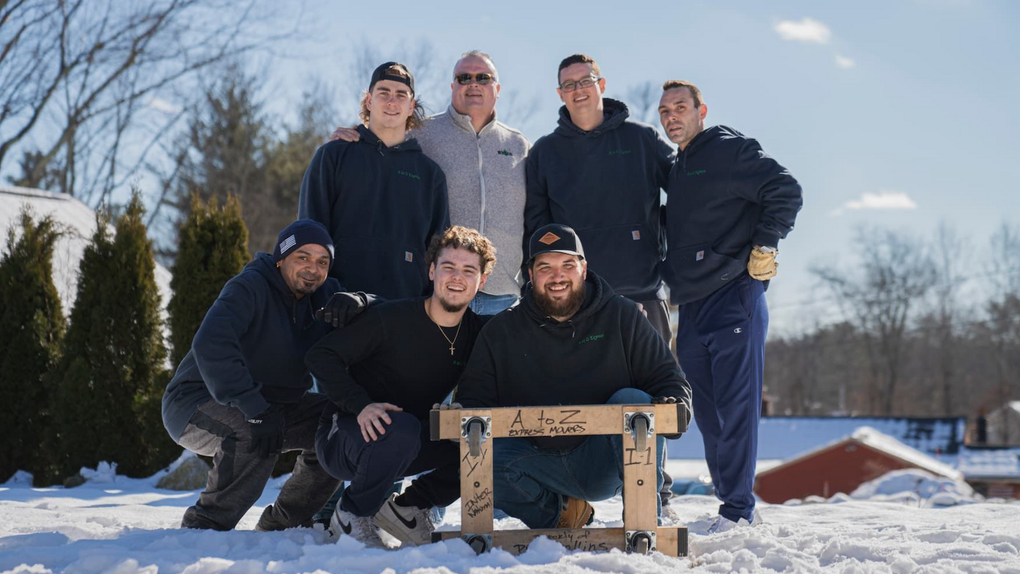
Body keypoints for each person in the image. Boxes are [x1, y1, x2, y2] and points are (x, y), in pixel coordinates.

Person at [454, 223, 692, 529]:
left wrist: (673, 405)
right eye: (545, 267)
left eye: (568, 264)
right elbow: (475, 400)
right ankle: (561, 513)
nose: (557, 276)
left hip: (606, 462)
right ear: (530, 274)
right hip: (534, 462)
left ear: (583, 268)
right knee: (477, 462)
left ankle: (645, 526)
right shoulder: (500, 332)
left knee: (632, 401)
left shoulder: (622, 316)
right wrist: (460, 413)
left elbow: (669, 379)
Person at [656, 80, 803, 532]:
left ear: (702, 110)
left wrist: (766, 243)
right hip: (693, 302)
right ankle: (730, 503)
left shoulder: (726, 149)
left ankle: (739, 510)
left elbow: (786, 189)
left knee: (737, 407)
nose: (672, 116)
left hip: (735, 293)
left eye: (681, 107)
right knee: (708, 410)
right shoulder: (679, 166)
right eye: (664, 111)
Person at [161, 220, 364, 531]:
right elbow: (211, 343)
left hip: (275, 405)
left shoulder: (326, 296)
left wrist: (362, 301)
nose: (313, 269)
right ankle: (205, 525)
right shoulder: (250, 286)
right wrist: (253, 407)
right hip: (196, 402)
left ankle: (284, 522)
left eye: (322, 262)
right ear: (281, 258)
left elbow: (384, 317)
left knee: (339, 424)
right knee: (251, 428)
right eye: (303, 258)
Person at [305, 225, 496, 547]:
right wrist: (360, 404)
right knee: (403, 427)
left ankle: (408, 509)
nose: (457, 277)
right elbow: (321, 356)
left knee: (478, 438)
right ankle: (351, 513)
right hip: (346, 435)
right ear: (432, 270)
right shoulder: (391, 318)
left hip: (406, 441)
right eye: (448, 267)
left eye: (468, 270)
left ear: (482, 280)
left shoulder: (479, 333)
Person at [330, 51, 528, 315]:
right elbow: (385, 134)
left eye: (483, 77)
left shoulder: (520, 146)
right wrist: (355, 133)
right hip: (439, 291)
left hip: (502, 297)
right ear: (452, 86)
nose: (473, 84)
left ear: (498, 88)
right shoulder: (423, 133)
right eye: (463, 77)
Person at [523, 53, 675, 344]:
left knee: (657, 385)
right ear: (560, 94)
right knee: (582, 388)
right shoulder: (545, 152)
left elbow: (686, 193)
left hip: (643, 290)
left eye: (585, 81)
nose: (578, 90)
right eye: (568, 85)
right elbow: (536, 227)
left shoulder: (642, 139)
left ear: (601, 84)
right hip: (577, 297)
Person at [299, 61, 449, 300]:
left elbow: (439, 251)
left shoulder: (430, 175)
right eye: (383, 93)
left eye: (401, 95)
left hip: (403, 308)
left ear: (411, 106)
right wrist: (320, 295)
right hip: (337, 305)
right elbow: (309, 231)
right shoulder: (334, 156)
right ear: (369, 101)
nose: (392, 101)